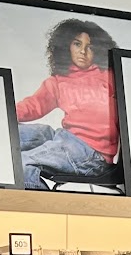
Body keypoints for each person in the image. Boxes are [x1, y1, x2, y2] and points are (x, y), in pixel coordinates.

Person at [14, 19, 120, 188]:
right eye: (77, 44)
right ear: (66, 46)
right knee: (10, 133)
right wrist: (4, 112)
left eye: (90, 47)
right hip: (66, 138)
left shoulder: (109, 77)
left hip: (92, 154)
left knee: (21, 164)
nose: (83, 51)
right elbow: (33, 105)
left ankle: (44, 205)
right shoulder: (59, 81)